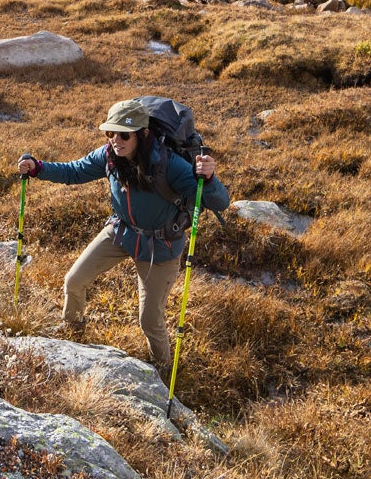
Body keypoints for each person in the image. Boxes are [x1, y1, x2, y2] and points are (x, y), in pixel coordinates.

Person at [18, 100, 228, 367]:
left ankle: (161, 368)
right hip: (121, 232)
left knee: (149, 319)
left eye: (124, 134)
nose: (116, 140)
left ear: (142, 133)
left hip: (160, 246)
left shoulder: (169, 164)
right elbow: (74, 171)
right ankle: (73, 336)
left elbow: (219, 202)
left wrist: (208, 180)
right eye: (110, 133)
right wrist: (38, 168)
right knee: (74, 281)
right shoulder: (108, 156)